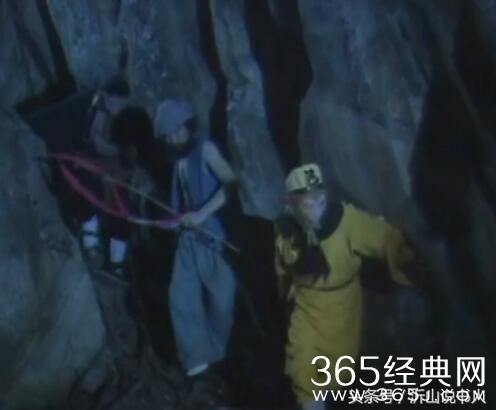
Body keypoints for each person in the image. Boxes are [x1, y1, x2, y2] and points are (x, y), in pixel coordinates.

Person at [274, 163, 421, 410]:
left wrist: (408, 261)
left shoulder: (346, 222)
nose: (317, 209)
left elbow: (384, 237)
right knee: (303, 369)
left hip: (342, 309)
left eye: (320, 200)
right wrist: (284, 291)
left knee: (339, 371)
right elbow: (282, 264)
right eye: (308, 204)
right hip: (307, 309)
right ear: (294, 204)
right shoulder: (286, 231)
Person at [153, 99, 238, 378]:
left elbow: (231, 184)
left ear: (187, 127)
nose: (173, 139)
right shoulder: (178, 161)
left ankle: (218, 353)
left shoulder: (206, 150)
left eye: (176, 132)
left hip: (214, 238)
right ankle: (196, 358)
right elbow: (181, 202)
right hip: (188, 240)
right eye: (168, 136)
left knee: (222, 302)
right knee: (181, 297)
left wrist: (202, 214)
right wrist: (174, 220)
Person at [79, 76, 132, 271]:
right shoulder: (96, 112)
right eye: (110, 102)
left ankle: (117, 262)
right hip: (95, 168)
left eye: (118, 104)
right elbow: (88, 139)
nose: (114, 108)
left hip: (119, 174)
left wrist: (115, 153)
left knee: (121, 214)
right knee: (88, 198)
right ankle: (91, 245)